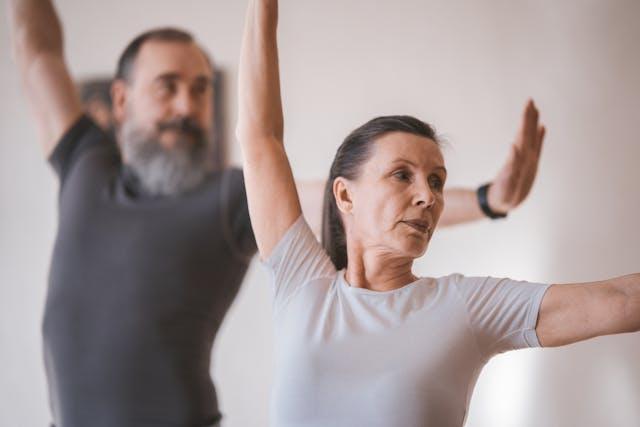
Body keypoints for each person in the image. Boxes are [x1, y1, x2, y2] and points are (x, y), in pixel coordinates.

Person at [8, 1, 545, 426]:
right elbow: (36, 51)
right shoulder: (85, 164)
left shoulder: (227, 198)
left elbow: (365, 204)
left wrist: (485, 201)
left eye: (200, 90)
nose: (187, 107)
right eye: (167, 87)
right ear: (120, 101)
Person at [236, 0, 640, 426]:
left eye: (436, 181)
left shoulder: (465, 307)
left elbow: (623, 301)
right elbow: (260, 137)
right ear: (345, 195)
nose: (427, 197)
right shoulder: (304, 286)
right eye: (401, 175)